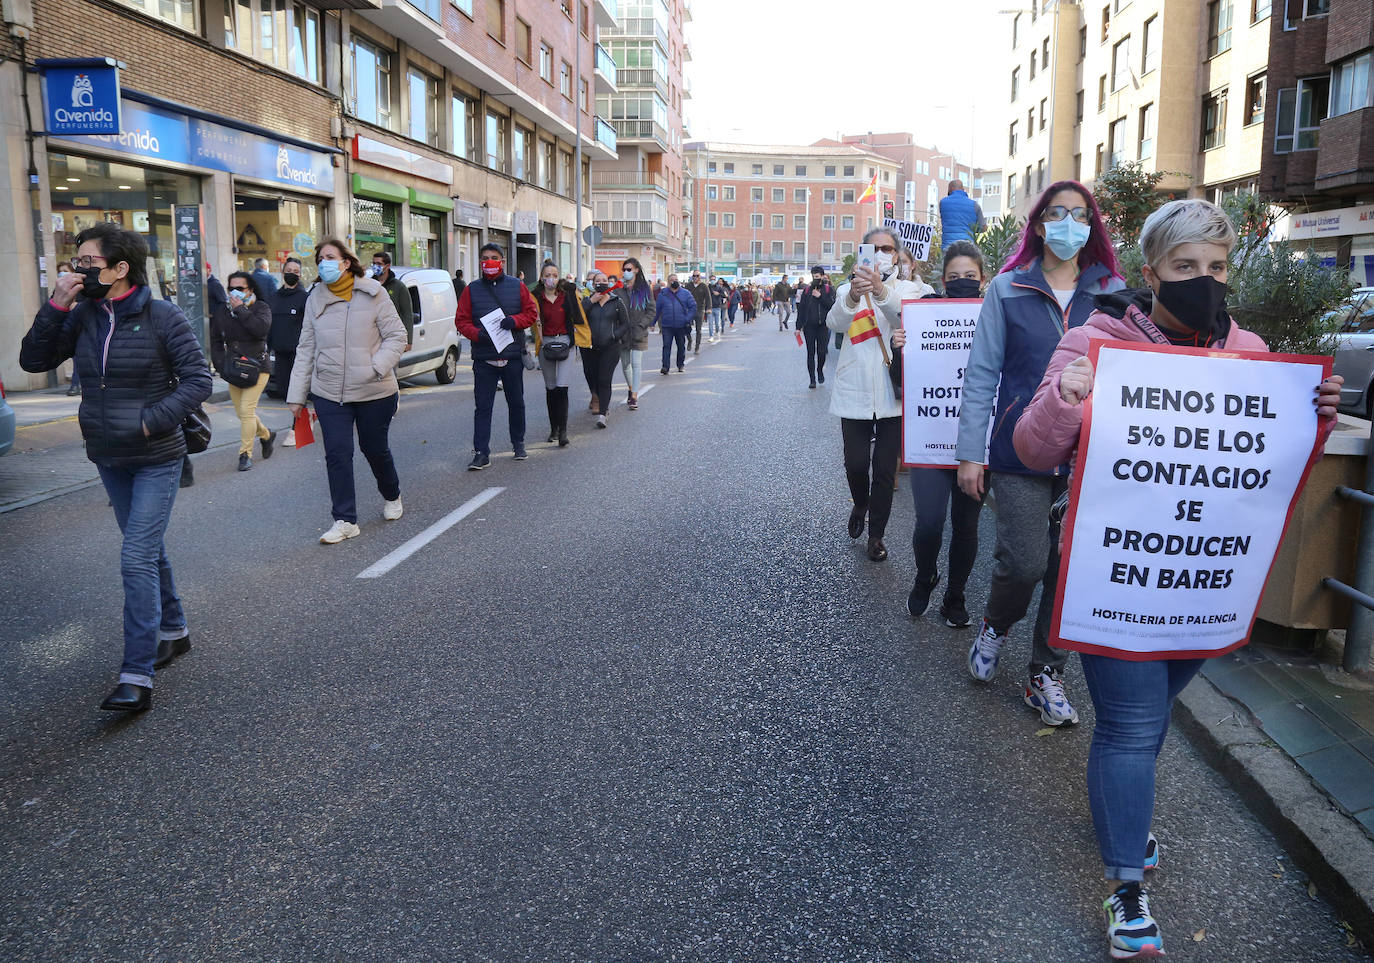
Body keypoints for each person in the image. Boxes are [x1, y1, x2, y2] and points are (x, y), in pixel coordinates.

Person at [1012, 198, 1344, 960]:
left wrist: (1314, 417)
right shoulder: (1096, 341)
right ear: (1153, 271)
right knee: (1130, 725)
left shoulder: (1252, 348)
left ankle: (1124, 807)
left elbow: (1264, 464)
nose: (1204, 280)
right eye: (1186, 266)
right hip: (1115, 574)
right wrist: (1068, 398)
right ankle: (1127, 884)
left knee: (1152, 714)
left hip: (1204, 583)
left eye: (1217, 267)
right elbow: (1031, 450)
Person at [20, 222, 212, 711]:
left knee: (135, 556)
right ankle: (175, 629)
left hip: (157, 456)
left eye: (88, 262)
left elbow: (196, 381)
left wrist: (151, 423)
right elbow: (32, 359)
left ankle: (137, 675)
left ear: (121, 269)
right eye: (78, 262)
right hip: (107, 455)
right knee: (145, 549)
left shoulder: (162, 316)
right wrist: (56, 303)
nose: (79, 269)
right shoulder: (82, 314)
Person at [956, 179, 1126, 726]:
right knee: (1026, 562)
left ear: (1092, 225)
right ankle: (995, 625)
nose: (1069, 224)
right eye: (1057, 213)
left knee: (1069, 568)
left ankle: (1044, 673)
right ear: (1037, 223)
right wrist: (969, 454)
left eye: (1080, 214)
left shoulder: (1115, 292)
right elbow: (982, 374)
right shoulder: (1007, 289)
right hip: (1019, 450)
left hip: (1090, 456)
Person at [891, 241, 989, 628]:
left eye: (970, 276)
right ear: (942, 282)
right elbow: (903, 386)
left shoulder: (995, 317)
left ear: (983, 280)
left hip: (976, 442)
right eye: (954, 277)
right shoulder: (924, 316)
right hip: (931, 438)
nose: (962, 282)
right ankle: (925, 575)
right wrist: (901, 351)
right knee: (928, 522)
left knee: (967, 526)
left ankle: (956, 596)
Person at [288, 238, 407, 543]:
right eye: (320, 257)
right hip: (329, 391)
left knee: (374, 448)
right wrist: (296, 396)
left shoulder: (373, 293)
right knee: (337, 454)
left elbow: (396, 336)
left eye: (330, 256)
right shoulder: (314, 297)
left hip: (374, 390)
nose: (324, 262)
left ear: (345, 262)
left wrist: (376, 367)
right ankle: (345, 520)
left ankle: (392, 494)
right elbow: (306, 347)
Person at [826, 227, 929, 562]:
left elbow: (907, 316)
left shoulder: (910, 289)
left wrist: (881, 291)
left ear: (898, 254)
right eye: (874, 248)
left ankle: (876, 535)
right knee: (856, 464)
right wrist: (855, 297)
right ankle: (860, 501)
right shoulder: (848, 288)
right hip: (854, 387)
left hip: (893, 392)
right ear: (862, 253)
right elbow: (835, 323)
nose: (881, 253)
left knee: (884, 470)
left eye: (887, 248)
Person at [455, 242, 539, 469]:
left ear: (502, 262)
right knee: (483, 407)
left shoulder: (517, 286)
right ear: (480, 262)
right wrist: (477, 334)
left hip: (511, 356)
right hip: (484, 358)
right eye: (485, 258)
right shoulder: (471, 289)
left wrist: (515, 321)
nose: (489, 261)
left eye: (493, 257)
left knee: (516, 403)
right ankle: (481, 453)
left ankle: (518, 443)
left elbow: (531, 313)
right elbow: (461, 321)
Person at [210, 271, 276, 471]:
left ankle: (245, 454)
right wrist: (220, 365)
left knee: (247, 411)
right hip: (233, 369)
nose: (235, 292)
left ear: (251, 289)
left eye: (240, 288)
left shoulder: (260, 307)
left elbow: (260, 329)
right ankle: (266, 435)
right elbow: (215, 339)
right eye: (231, 288)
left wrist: (241, 310)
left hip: (257, 367)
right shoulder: (223, 310)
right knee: (241, 413)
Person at [531, 260, 588, 447]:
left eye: (554, 275)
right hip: (546, 343)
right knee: (551, 387)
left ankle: (563, 431)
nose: (551, 279)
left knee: (562, 387)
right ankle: (553, 428)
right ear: (541, 278)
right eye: (547, 275)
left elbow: (579, 316)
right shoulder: (535, 297)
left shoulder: (568, 295)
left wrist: (583, 339)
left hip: (565, 342)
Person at [582, 271, 629, 429]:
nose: (601, 282)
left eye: (604, 280)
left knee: (604, 379)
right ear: (593, 284)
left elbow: (625, 324)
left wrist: (614, 336)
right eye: (598, 281)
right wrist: (591, 301)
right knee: (592, 376)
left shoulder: (616, 301)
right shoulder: (587, 301)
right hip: (590, 348)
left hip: (610, 347)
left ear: (608, 283)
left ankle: (603, 413)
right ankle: (595, 397)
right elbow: (578, 317)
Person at [268, 257, 308, 406]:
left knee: (298, 396)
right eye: (289, 271)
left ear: (300, 275)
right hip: (279, 354)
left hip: (299, 356)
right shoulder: (273, 298)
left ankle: (298, 428)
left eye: (296, 271)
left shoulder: (305, 298)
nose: (292, 273)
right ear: (282, 272)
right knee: (284, 392)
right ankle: (293, 429)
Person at [620, 257, 653, 410]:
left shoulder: (645, 289)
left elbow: (651, 311)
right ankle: (631, 387)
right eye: (624, 270)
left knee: (636, 364)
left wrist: (642, 325)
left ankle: (634, 396)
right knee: (625, 365)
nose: (626, 272)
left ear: (636, 270)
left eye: (629, 269)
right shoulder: (620, 289)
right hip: (623, 333)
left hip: (639, 332)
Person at [797, 265, 836, 389]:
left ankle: (820, 370)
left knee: (821, 352)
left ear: (822, 276)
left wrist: (820, 297)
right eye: (813, 276)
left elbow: (832, 306)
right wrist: (798, 327)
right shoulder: (807, 290)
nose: (815, 279)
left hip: (823, 326)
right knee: (810, 353)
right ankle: (812, 379)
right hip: (809, 326)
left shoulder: (829, 289)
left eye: (817, 277)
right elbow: (801, 309)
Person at [370, 251, 415, 349]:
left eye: (379, 264)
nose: (375, 266)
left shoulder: (399, 287)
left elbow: (407, 313)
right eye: (373, 263)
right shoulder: (369, 285)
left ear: (387, 266)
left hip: (392, 336)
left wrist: (408, 340)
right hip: (372, 336)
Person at [656, 273, 696, 374]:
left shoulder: (686, 293)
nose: (674, 282)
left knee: (681, 346)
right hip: (667, 325)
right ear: (668, 282)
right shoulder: (663, 293)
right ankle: (665, 367)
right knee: (666, 346)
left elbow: (693, 307)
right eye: (672, 280)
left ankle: (680, 364)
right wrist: (652, 322)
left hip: (681, 325)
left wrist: (687, 319)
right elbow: (657, 309)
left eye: (676, 279)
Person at [938, 179, 987, 246]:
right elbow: (983, 228)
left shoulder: (943, 203)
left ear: (949, 189)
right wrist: (971, 229)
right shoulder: (975, 205)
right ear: (963, 189)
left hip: (948, 247)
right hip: (968, 247)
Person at [686, 271, 710, 354]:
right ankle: (689, 340)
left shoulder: (704, 286)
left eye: (697, 276)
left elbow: (708, 298)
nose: (695, 277)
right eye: (694, 276)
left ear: (700, 277)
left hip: (700, 309)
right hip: (689, 309)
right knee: (686, 326)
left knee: (698, 329)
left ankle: (697, 347)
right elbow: (683, 296)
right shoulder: (688, 286)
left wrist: (709, 308)